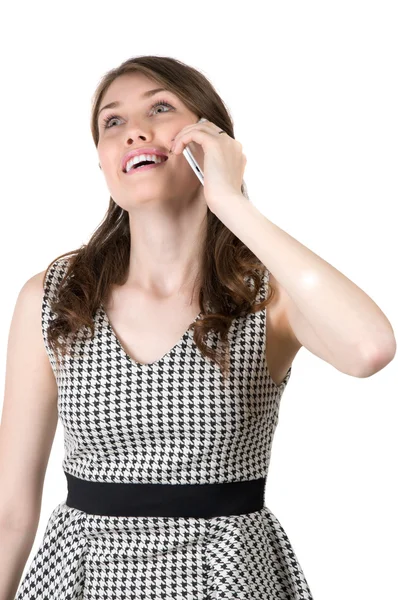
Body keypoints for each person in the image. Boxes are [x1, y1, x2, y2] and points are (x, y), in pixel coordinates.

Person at [1, 55, 394, 600]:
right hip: (79, 578)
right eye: (111, 122)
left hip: (229, 577)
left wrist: (232, 202)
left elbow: (370, 349)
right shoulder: (53, 295)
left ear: (213, 140)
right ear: (101, 161)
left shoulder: (269, 296)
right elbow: (10, 511)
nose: (133, 129)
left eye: (160, 108)